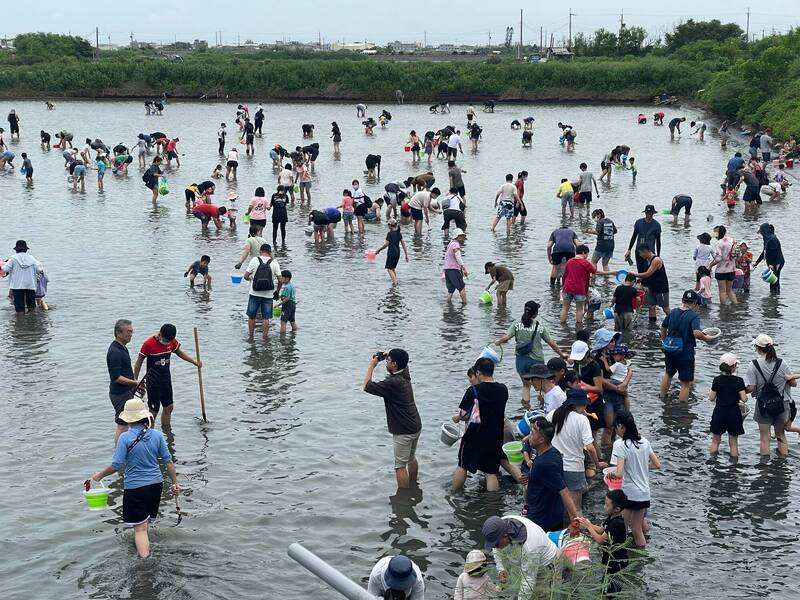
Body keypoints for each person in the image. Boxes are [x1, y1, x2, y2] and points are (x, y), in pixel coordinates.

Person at [91, 398, 179, 558]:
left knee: (139, 529)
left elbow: (117, 465)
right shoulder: (157, 435)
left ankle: (145, 564)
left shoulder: (124, 438)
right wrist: (175, 482)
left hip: (135, 487)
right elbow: (168, 462)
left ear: (128, 419)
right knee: (145, 524)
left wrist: (99, 475)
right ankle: (146, 549)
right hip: (156, 485)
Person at [363, 348, 422, 489]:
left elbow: (367, 386)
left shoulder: (393, 384)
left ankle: (404, 497)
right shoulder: (405, 374)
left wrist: (371, 366)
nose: (386, 363)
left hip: (403, 430)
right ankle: (414, 485)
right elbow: (399, 363)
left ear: (395, 364)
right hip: (415, 425)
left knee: (400, 467)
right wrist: (387, 356)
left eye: (388, 361)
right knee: (411, 458)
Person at [452, 358, 512, 492]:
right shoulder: (503, 389)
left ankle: (454, 495)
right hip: (495, 435)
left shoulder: (473, 391)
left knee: (463, 465)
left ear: (478, 373)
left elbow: (464, 414)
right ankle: (492, 504)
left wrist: (457, 418)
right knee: (491, 472)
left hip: (475, 435)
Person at [495, 301, 565, 406]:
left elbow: (506, 337)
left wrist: (497, 342)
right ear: (535, 313)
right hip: (537, 360)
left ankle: (526, 409)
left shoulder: (517, 323)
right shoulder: (539, 325)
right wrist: (561, 354)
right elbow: (552, 343)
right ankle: (544, 407)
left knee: (526, 386)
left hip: (521, 360)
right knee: (542, 386)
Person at [548, 389, 607, 513]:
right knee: (576, 511)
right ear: (577, 404)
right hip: (573, 468)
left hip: (553, 466)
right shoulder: (582, 420)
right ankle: (576, 532)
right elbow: (590, 447)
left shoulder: (553, 414)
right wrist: (597, 464)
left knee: (556, 506)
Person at [133, 324, 201, 428]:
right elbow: (139, 362)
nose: (166, 343)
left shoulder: (172, 341)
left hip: (166, 380)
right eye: (165, 340)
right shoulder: (148, 344)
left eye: (169, 341)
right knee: (153, 412)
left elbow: (178, 352)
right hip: (153, 382)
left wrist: (194, 362)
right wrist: (135, 380)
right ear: (159, 334)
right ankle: (149, 434)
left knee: (169, 407)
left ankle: (167, 433)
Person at [609, 410, 660, 548]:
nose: (616, 430)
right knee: (637, 530)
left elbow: (619, 473)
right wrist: (641, 467)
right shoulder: (644, 441)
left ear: (621, 426)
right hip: (644, 493)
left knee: (622, 529)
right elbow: (656, 465)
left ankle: (621, 558)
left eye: (616, 427)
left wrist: (610, 474)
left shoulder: (620, 444)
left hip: (630, 493)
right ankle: (642, 557)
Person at [481, 514, 559, 599]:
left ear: (505, 536)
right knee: (517, 591)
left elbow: (528, 582)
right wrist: (501, 569)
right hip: (524, 560)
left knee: (541, 596)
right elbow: (496, 550)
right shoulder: (500, 524)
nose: (494, 547)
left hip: (546, 564)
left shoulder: (530, 547)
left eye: (495, 544)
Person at [525, 417, 579, 532]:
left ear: (541, 440)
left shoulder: (544, 464)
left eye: (532, 434)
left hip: (542, 519)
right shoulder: (554, 452)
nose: (529, 436)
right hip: (552, 512)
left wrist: (575, 521)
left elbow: (565, 493)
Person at [659, 290, 714, 402]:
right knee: (685, 384)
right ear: (694, 303)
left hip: (670, 349)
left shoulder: (673, 312)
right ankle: (682, 408)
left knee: (668, 374)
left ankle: (662, 397)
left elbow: (663, 327)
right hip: (685, 352)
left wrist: (664, 340)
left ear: (683, 301)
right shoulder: (694, 316)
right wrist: (707, 339)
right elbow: (696, 333)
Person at [745, 334, 793, 457]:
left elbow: (750, 388)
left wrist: (739, 392)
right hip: (782, 404)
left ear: (757, 348)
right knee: (780, 435)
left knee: (764, 439)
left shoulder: (753, 365)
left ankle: (765, 469)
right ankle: (783, 462)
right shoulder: (782, 363)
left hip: (763, 405)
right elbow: (793, 383)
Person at [577, 489, 629, 597]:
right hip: (610, 562)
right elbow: (601, 530)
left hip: (616, 564)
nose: (604, 507)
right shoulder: (612, 517)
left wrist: (588, 526)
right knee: (605, 589)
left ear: (617, 509)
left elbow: (600, 540)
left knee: (609, 594)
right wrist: (585, 524)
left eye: (607, 505)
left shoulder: (617, 523)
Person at [560, 245, 614, 326]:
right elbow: (596, 272)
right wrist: (611, 273)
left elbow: (564, 275)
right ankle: (578, 327)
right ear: (583, 253)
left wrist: (563, 287)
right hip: (579, 289)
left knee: (565, 308)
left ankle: (562, 326)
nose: (587, 256)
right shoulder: (585, 262)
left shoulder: (569, 261)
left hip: (567, 288)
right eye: (587, 254)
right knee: (579, 309)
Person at [709, 353, 747, 459]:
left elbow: (711, 398)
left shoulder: (717, 380)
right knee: (733, 443)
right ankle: (734, 467)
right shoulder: (739, 381)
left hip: (719, 413)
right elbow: (744, 399)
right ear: (734, 366)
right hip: (734, 413)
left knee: (715, 441)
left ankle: (712, 462)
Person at [106, 319, 139, 442]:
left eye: (132, 332)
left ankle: (125, 449)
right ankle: (119, 453)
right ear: (119, 333)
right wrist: (134, 382)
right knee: (122, 424)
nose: (131, 335)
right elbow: (116, 377)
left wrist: (134, 384)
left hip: (126, 391)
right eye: (128, 332)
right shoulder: (115, 351)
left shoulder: (122, 348)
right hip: (119, 393)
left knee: (129, 422)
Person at [243, 244, 282, 339]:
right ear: (270, 252)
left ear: (260, 251)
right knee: (266, 317)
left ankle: (251, 337)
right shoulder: (274, 262)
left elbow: (245, 276)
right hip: (268, 295)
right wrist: (277, 291)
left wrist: (250, 278)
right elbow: (280, 280)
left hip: (254, 293)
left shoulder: (255, 260)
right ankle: (265, 338)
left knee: (251, 316)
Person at [629, 243, 670, 320]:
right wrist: (641, 279)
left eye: (640, 253)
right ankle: (652, 326)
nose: (640, 255)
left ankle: (674, 322)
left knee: (665, 308)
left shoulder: (656, 260)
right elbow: (649, 272)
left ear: (645, 251)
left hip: (661, 288)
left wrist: (634, 274)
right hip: (652, 286)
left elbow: (648, 274)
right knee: (651, 307)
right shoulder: (647, 259)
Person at [2, 240, 43, 315]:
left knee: (19, 309)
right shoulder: (32, 258)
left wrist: (3, 264)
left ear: (16, 250)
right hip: (30, 285)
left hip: (17, 286)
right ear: (26, 249)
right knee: (31, 308)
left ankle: (20, 323)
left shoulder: (13, 259)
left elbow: (5, 269)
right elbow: (39, 269)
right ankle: (31, 323)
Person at [624, 205, 661, 276]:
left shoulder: (657, 225)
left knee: (648, 271)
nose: (648, 215)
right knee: (640, 271)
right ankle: (642, 285)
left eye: (650, 213)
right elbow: (634, 237)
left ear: (653, 214)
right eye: (647, 213)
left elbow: (658, 241)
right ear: (645, 213)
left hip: (650, 252)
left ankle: (647, 285)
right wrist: (629, 250)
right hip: (639, 251)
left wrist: (658, 255)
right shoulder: (638, 223)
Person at [374, 218, 408, 285]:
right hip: (398, 253)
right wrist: (406, 255)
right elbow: (403, 244)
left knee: (389, 269)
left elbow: (386, 244)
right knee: (392, 268)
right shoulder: (399, 233)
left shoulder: (389, 234)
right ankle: (395, 281)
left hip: (391, 253)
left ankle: (395, 284)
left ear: (390, 225)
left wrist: (378, 250)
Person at [709, 225, 737, 306]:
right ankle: (736, 306)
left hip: (721, 271)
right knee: (730, 290)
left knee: (722, 291)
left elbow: (718, 259)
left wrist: (710, 265)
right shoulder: (732, 240)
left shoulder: (718, 243)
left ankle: (723, 309)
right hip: (732, 269)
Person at [753, 223, 784, 293]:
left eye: (761, 232)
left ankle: (775, 297)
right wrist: (756, 263)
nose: (761, 234)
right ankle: (773, 298)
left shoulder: (773, 240)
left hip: (778, 262)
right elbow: (764, 252)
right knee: (772, 280)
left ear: (765, 231)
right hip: (772, 263)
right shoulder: (766, 239)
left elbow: (777, 254)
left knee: (775, 280)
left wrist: (774, 264)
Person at [444, 229, 468, 303]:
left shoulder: (451, 243)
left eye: (462, 236)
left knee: (450, 290)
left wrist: (460, 250)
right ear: (456, 236)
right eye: (460, 236)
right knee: (461, 287)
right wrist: (464, 268)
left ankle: (448, 303)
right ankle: (465, 303)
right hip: (453, 269)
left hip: (447, 269)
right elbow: (458, 257)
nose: (462, 237)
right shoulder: (456, 244)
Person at [277, 270, 297, 334]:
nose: (280, 279)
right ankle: (294, 333)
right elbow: (288, 296)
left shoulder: (286, 287)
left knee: (283, 322)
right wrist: (280, 296)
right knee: (292, 321)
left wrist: (278, 305)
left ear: (287, 278)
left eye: (282, 278)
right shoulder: (292, 286)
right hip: (293, 305)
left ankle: (282, 337)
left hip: (287, 306)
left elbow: (287, 299)